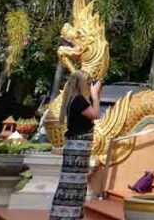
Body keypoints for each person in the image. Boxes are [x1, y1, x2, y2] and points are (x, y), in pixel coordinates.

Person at [50, 71, 101, 220]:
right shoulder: (78, 100)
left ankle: (68, 214)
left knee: (73, 182)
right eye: (88, 82)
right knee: (73, 183)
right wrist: (95, 94)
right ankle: (67, 215)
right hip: (78, 146)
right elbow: (95, 114)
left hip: (76, 145)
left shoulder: (74, 100)